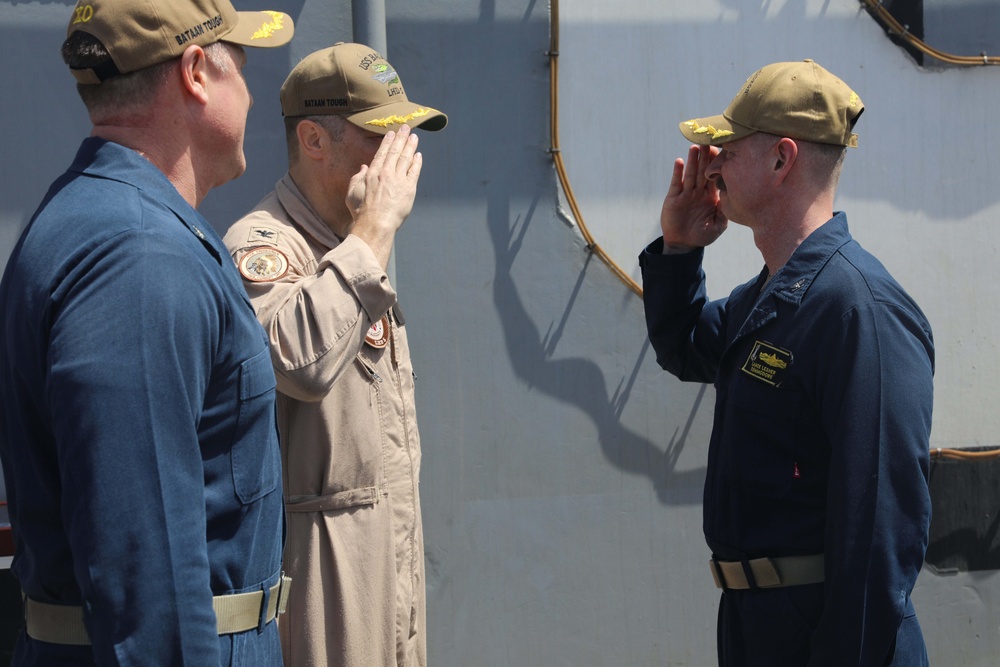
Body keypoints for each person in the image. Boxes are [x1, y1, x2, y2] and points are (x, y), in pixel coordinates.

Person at [0, 0, 295, 664]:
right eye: (240, 65)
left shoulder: (104, 218)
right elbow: (146, 565)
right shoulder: (139, 254)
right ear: (196, 72)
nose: (250, 91)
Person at [639, 60, 933, 666]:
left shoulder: (859, 309)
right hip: (758, 629)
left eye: (727, 147)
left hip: (824, 634)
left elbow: (878, 532)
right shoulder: (773, 295)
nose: (711, 163)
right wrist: (679, 249)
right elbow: (685, 345)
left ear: (782, 160)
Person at [222, 43, 447, 666]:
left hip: (389, 559)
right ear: (315, 140)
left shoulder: (347, 243)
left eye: (405, 134)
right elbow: (299, 363)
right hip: (318, 572)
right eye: (382, 135)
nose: (401, 156)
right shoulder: (264, 244)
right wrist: (373, 232)